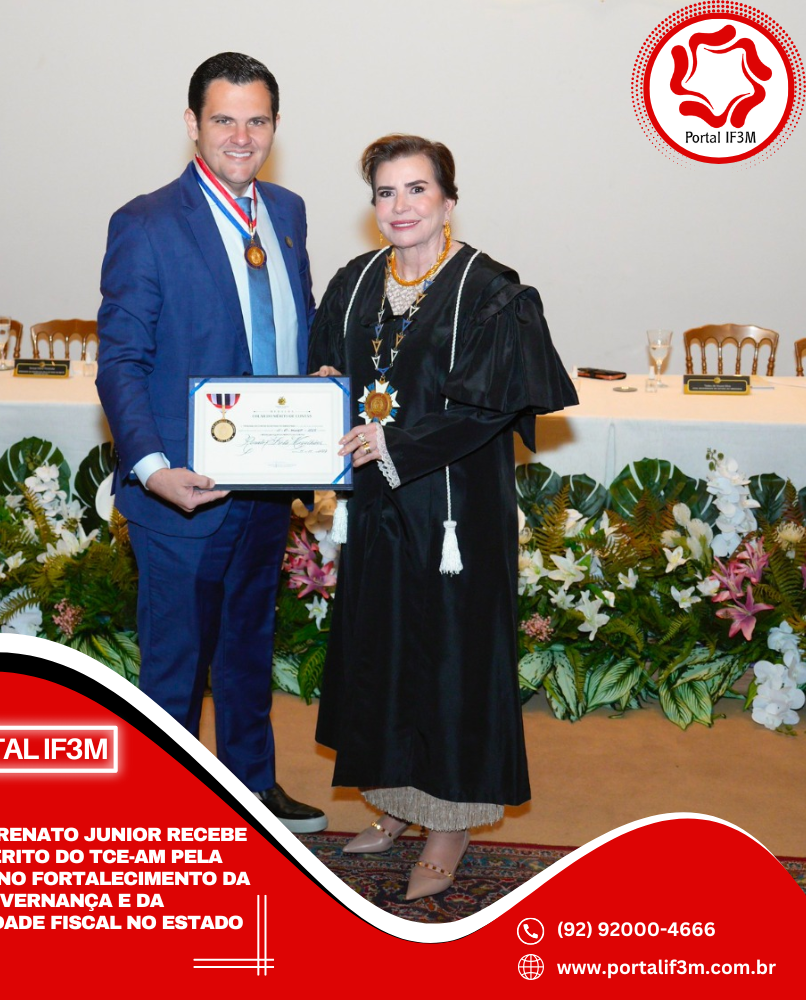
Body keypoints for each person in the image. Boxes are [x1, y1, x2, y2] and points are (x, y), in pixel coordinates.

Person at [309, 135, 576, 898]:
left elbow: (488, 409)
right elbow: (329, 370)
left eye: (417, 189)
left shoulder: (491, 292)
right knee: (384, 651)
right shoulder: (355, 283)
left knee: (452, 661)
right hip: (378, 508)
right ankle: (397, 804)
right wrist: (323, 385)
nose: (400, 207)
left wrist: (394, 442)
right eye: (385, 192)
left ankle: (450, 824)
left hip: (455, 511)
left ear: (449, 201)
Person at [96, 53, 326, 832]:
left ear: (275, 126)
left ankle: (251, 788)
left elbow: (294, 324)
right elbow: (121, 361)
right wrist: (153, 469)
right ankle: (165, 816)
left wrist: (318, 384)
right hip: (181, 492)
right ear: (193, 124)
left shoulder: (287, 211)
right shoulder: (146, 223)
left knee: (247, 648)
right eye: (224, 119)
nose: (241, 136)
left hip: (265, 484)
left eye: (256, 120)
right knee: (175, 664)